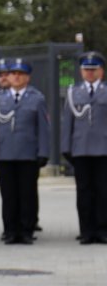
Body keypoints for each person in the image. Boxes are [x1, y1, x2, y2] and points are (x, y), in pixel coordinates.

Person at [0, 58, 49, 244]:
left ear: (27, 78)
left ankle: (26, 230)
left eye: (21, 74)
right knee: (9, 195)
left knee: (27, 194)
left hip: (28, 154)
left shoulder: (37, 99)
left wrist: (43, 152)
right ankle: (10, 230)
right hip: (5, 154)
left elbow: (43, 128)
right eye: (13, 74)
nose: (17, 77)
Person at [60, 50, 107, 244]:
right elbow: (67, 123)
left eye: (93, 69)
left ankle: (103, 230)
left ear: (101, 71)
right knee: (84, 192)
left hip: (104, 149)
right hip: (80, 150)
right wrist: (66, 147)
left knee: (103, 192)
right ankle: (86, 230)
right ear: (81, 71)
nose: (89, 73)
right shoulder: (73, 93)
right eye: (86, 69)